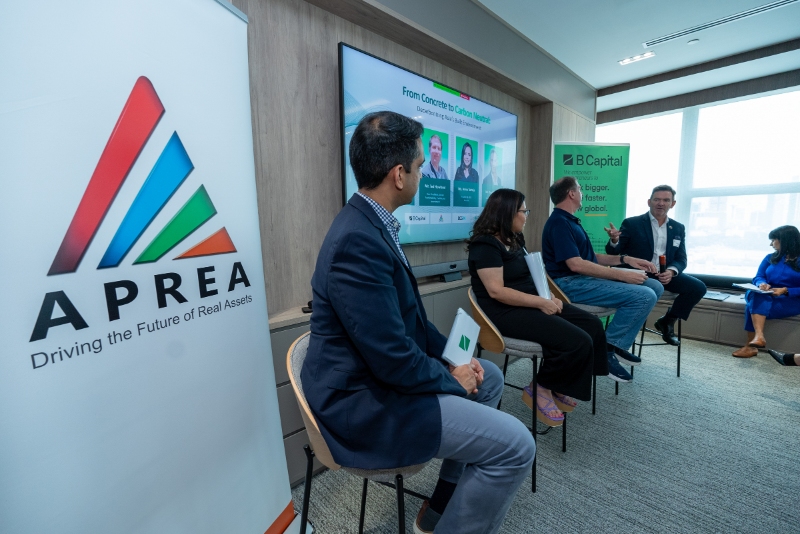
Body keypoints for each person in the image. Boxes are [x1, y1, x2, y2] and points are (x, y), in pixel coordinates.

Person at [302, 111, 534, 534]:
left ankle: (439, 508)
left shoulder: (374, 224)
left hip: (379, 378)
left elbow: (413, 324)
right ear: (398, 174)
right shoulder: (357, 240)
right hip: (364, 403)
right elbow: (392, 357)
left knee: (490, 380)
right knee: (517, 446)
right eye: (420, 165)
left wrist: (457, 359)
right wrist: (451, 378)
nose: (423, 173)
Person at [467, 188, 608, 426]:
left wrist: (549, 296)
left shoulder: (514, 239)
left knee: (592, 325)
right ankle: (540, 387)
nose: (526, 216)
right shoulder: (485, 246)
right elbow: (497, 291)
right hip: (504, 312)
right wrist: (541, 303)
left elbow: (530, 275)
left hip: (530, 301)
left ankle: (560, 383)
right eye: (524, 211)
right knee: (576, 340)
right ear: (508, 213)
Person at [542, 176, 663, 383]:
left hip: (581, 279)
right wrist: (623, 274)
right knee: (645, 296)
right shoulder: (559, 223)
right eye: (580, 189)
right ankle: (606, 349)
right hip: (568, 284)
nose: (582, 193)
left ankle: (616, 343)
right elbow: (576, 265)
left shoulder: (571, 221)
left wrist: (626, 260)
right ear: (572, 194)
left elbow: (590, 258)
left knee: (655, 286)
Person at [604, 185, 707, 346]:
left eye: (666, 200)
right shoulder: (632, 223)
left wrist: (671, 272)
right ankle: (622, 335)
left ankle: (668, 321)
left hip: (664, 274)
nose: (661, 203)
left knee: (698, 287)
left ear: (672, 204)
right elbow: (613, 252)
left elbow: (681, 259)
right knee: (650, 289)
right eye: (657, 199)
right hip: (639, 273)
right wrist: (614, 240)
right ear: (649, 202)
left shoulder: (678, 228)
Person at [732, 225, 800, 358]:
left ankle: (751, 346)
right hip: (766, 295)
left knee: (752, 305)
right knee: (756, 295)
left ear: (785, 240)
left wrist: (786, 290)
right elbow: (758, 276)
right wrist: (761, 283)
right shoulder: (770, 257)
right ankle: (759, 337)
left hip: (791, 299)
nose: (771, 244)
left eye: (773, 240)